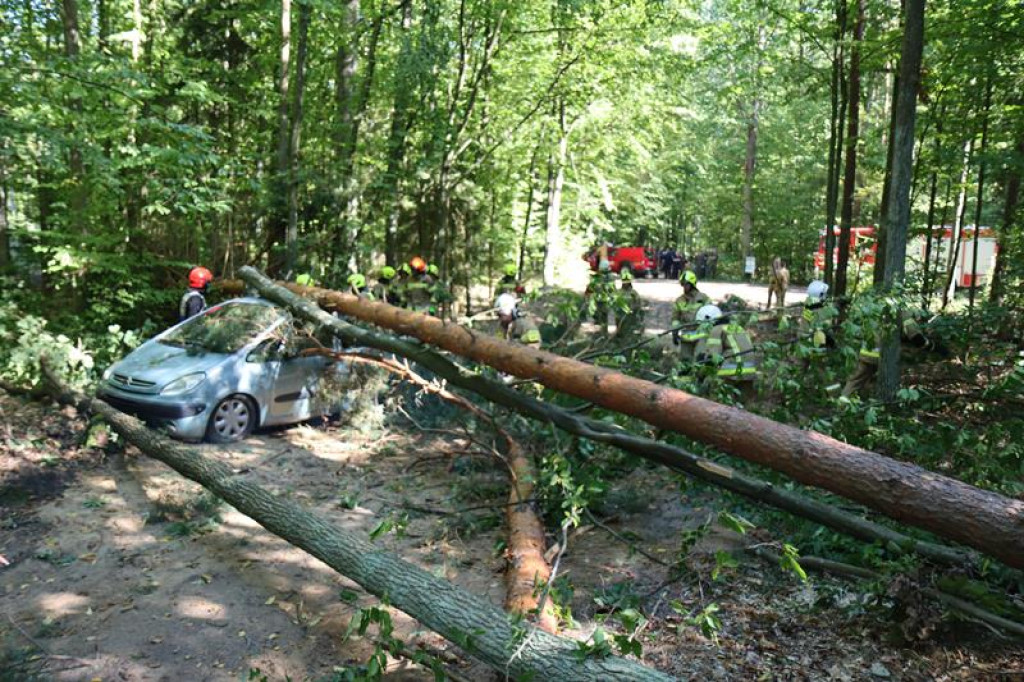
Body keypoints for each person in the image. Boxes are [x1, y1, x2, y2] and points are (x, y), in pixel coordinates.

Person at [841, 314, 948, 398]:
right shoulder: (903, 312)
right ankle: (888, 406)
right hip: (887, 357)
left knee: (855, 382)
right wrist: (934, 347)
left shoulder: (877, 307)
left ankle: (843, 407)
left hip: (867, 352)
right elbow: (916, 337)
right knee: (899, 380)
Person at [692, 305, 760, 381]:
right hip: (750, 372)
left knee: (709, 377)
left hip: (732, 372)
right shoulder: (737, 327)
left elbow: (713, 358)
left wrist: (700, 375)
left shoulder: (716, 330)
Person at [672, 270, 710, 359]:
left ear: (692, 284)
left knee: (700, 360)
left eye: (686, 284)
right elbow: (675, 318)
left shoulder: (704, 298)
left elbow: (712, 315)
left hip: (701, 336)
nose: (684, 287)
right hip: (686, 336)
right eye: (682, 284)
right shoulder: (679, 300)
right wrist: (675, 332)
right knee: (685, 362)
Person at [800, 280, 835, 353]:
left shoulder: (808, 306)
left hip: (810, 339)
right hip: (815, 341)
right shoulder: (820, 310)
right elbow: (826, 327)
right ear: (820, 295)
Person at [614, 270, 646, 345]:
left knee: (630, 334)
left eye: (627, 282)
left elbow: (638, 304)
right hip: (620, 317)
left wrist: (634, 308)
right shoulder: (618, 292)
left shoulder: (633, 293)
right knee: (620, 333)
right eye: (624, 282)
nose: (625, 284)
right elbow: (615, 304)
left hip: (631, 318)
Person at [585, 261, 616, 334]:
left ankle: (599, 334)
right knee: (603, 321)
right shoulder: (610, 279)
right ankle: (603, 334)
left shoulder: (595, 278)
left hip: (597, 302)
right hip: (605, 303)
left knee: (598, 321)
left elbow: (588, 291)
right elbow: (613, 292)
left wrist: (587, 301)